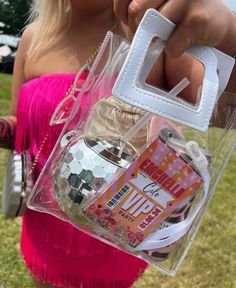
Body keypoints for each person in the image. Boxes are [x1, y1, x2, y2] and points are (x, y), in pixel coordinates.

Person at [0, 0, 235, 287]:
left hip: (114, 229)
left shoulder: (156, 37)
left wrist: (229, 38)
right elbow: (18, 123)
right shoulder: (33, 37)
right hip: (44, 223)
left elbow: (224, 106)